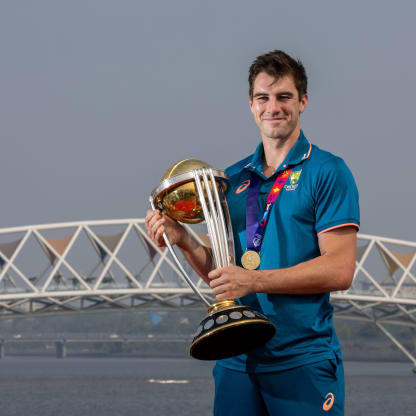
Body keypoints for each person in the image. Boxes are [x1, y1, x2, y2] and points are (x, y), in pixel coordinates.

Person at [145, 50, 359, 415]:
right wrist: (183, 239)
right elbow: (223, 272)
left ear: (303, 101)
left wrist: (254, 281)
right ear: (251, 104)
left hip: (301, 359)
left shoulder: (327, 171)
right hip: (235, 359)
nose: (272, 107)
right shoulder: (232, 179)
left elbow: (339, 270)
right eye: (263, 97)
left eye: (284, 97)